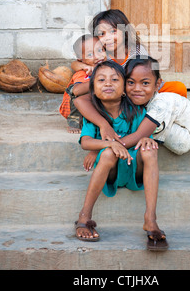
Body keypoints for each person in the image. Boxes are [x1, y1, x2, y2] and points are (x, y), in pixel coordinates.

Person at [75, 56, 190, 164]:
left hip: (180, 111)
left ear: (158, 84)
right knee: (181, 144)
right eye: (131, 82)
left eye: (145, 83)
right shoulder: (126, 95)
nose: (137, 89)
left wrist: (102, 147)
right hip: (164, 128)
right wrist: (102, 127)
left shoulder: (161, 103)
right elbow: (80, 98)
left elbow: (137, 135)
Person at [74, 60, 168, 251]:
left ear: (124, 88)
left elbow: (144, 135)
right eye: (101, 80)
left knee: (149, 150)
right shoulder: (95, 114)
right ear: (93, 89)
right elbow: (85, 141)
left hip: (135, 168)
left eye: (115, 79)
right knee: (108, 153)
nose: (108, 83)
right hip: (111, 172)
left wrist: (148, 140)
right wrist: (108, 144)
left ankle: (150, 219)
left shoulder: (137, 110)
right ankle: (84, 216)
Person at [71, 8, 187, 98]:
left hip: (140, 88)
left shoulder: (137, 50)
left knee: (178, 87)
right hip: (119, 93)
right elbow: (75, 64)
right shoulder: (101, 54)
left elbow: (147, 74)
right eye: (102, 34)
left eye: (113, 31)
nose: (108, 38)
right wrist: (84, 66)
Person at [59, 34, 106, 132]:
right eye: (90, 54)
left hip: (90, 106)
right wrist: (97, 80)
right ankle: (74, 122)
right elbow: (76, 91)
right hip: (73, 107)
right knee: (81, 91)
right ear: (80, 59)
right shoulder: (83, 73)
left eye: (100, 50)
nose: (98, 56)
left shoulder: (105, 66)